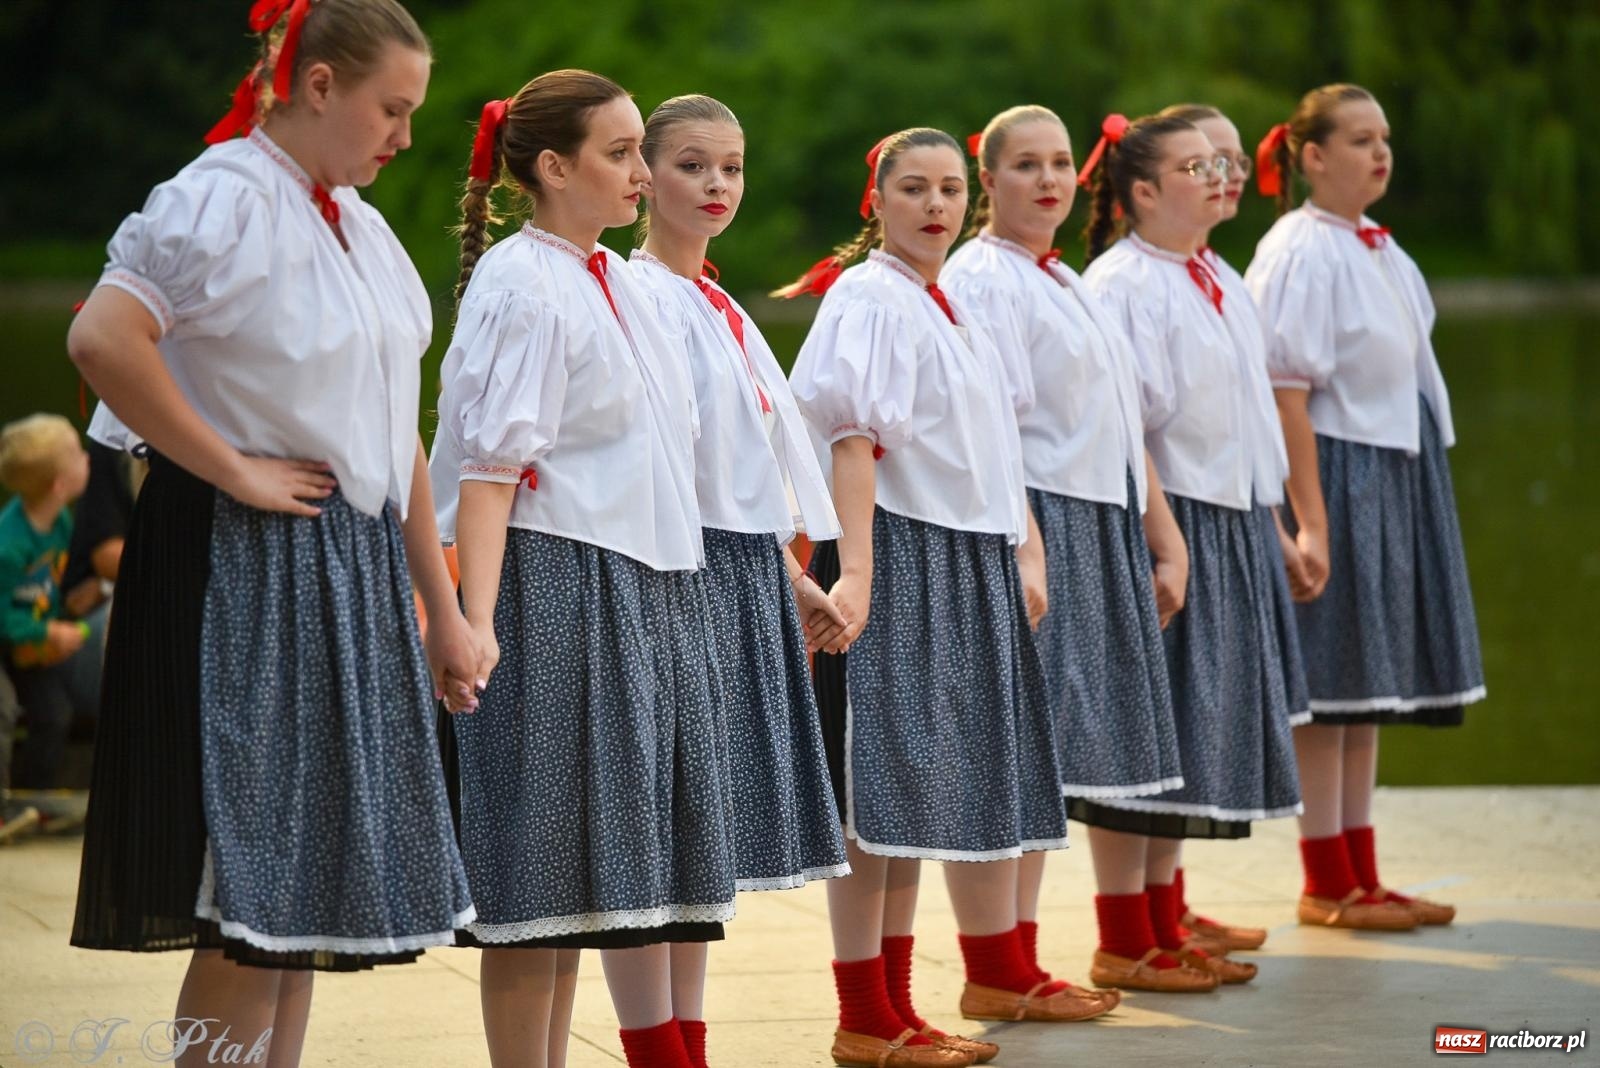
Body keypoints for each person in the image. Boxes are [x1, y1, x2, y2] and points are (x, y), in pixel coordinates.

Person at [66, 4, 479, 1065]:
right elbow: (104, 338)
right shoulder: (216, 200)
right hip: (245, 563)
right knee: (249, 895)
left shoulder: (359, 227)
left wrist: (439, 606)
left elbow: (397, 440)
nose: (402, 135)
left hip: (347, 565)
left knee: (299, 902)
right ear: (320, 84)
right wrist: (231, 464)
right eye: (390, 108)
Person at [783, 126, 1110, 1068]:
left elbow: (999, 451)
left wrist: (1023, 552)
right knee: (873, 800)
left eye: (950, 190)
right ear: (875, 200)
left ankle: (900, 1007)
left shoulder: (946, 305)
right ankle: (864, 1015)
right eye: (914, 189)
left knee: (915, 799)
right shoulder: (871, 299)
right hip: (902, 560)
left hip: (965, 561)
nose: (936, 207)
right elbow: (852, 440)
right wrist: (859, 572)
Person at [431, 70, 736, 1068]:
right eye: (619, 153)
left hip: (632, 585)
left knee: (579, 890)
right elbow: (486, 473)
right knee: (534, 885)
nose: (641, 173)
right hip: (550, 583)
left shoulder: (607, 279)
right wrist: (472, 621)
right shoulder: (524, 284)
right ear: (552, 169)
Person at [942, 105, 1213, 993]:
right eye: (1026, 165)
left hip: (1103, 520)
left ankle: (1103, 943)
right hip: (1044, 524)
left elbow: (1124, 422)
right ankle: (1003, 967)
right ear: (988, 181)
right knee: (1030, 747)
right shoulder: (984, 277)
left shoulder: (1064, 280)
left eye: (1061, 163)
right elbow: (996, 432)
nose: (1049, 181)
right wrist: (1029, 545)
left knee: (1081, 745)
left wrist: (1161, 535)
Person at [629, 92, 851, 1066]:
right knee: (666, 826)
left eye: (731, 166)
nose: (717, 184)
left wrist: (783, 575)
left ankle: (690, 1044)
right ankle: (658, 1049)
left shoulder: (717, 300)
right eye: (692, 165)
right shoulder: (637, 293)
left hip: (733, 569)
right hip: (668, 570)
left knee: (702, 833)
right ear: (641, 173)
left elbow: (745, 465)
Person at [1245, 83, 1484, 929]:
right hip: (1337, 474)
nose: (1380, 153)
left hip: (1393, 471)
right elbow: (1284, 394)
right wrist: (1309, 521)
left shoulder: (1377, 245)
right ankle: (1324, 882)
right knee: (1334, 677)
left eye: (1384, 137)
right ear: (1311, 157)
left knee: (1367, 681)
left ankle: (1361, 872)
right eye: (1358, 139)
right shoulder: (1300, 251)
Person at [1081, 110, 1306, 988]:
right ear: (1142, 191)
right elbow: (1125, 428)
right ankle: (1124, 933)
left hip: (1234, 518)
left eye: (1230, 161)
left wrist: (1277, 524)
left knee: (1196, 722)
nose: (1225, 175)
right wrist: (1163, 535)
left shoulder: (1217, 272)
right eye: (1198, 164)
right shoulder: (1122, 285)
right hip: (1171, 523)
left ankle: (1164, 909)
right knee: (1151, 724)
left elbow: (1249, 420)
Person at [0, 414, 103, 819]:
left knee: (54, 713)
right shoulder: (8, 545)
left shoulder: (60, 521)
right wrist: (47, 630)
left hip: (33, 648)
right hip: (10, 644)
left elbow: (49, 585)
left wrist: (70, 605)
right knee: (4, 709)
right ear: (59, 484)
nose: (88, 459)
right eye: (79, 454)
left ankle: (36, 801)